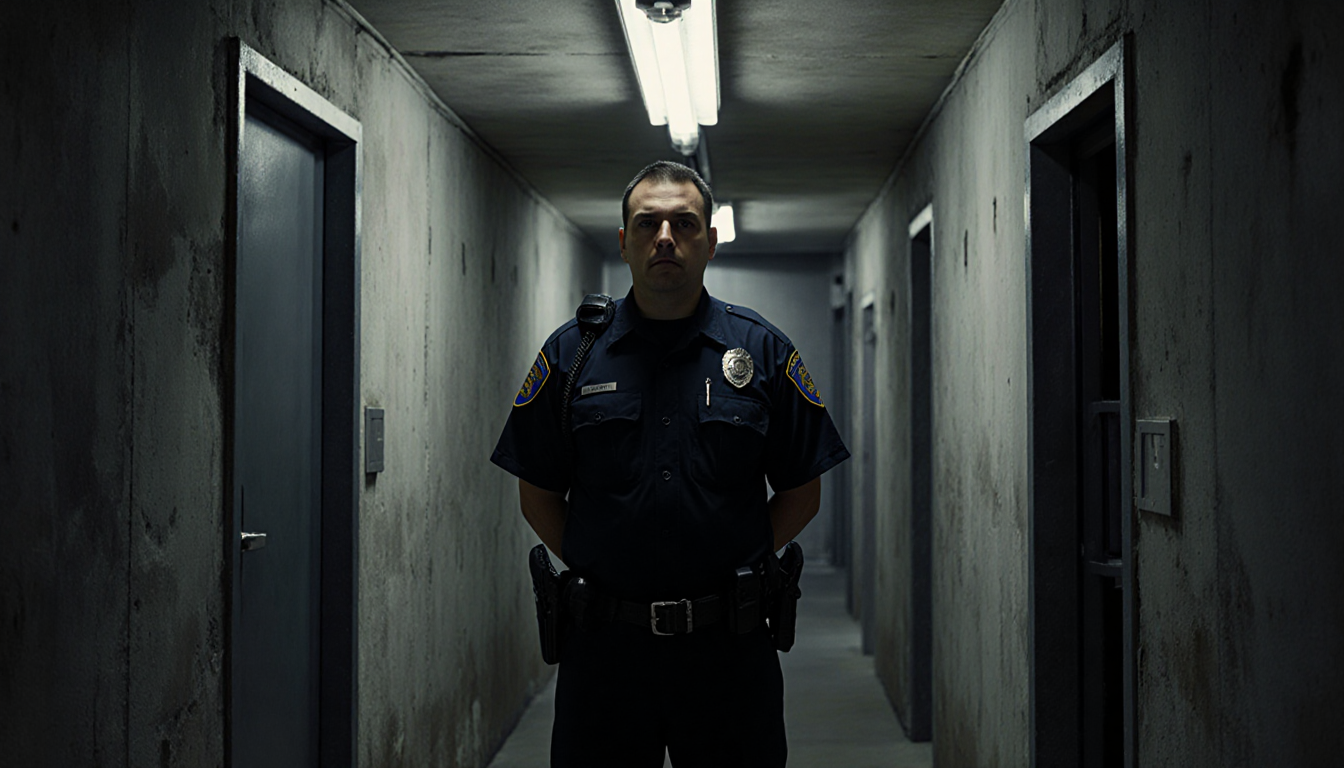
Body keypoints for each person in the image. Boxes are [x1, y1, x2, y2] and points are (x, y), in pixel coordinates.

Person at [490, 161, 850, 767]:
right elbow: (538, 493)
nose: (665, 237)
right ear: (624, 242)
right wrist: (606, 567)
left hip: (729, 653)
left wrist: (733, 563)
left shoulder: (760, 351)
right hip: (605, 653)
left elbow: (801, 491)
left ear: (710, 242)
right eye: (647, 223)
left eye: (684, 223)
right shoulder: (571, 356)